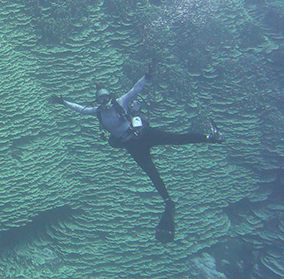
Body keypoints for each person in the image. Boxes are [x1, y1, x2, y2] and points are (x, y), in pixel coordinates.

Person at [50, 67, 223, 243]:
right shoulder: (97, 112)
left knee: (176, 138)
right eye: (100, 100)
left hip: (142, 135)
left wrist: (147, 76)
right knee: (151, 172)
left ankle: (211, 138)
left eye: (105, 98)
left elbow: (136, 89)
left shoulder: (120, 102)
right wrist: (63, 102)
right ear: (97, 101)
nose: (104, 102)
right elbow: (80, 109)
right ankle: (168, 201)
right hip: (132, 145)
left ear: (110, 96)